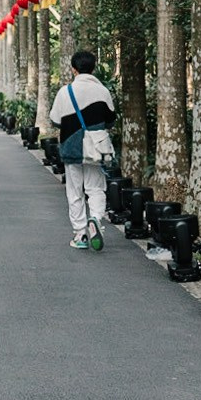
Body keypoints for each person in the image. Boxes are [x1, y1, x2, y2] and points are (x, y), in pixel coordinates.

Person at [51, 50, 117, 251]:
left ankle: (80, 234)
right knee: (96, 188)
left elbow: (55, 120)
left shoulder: (65, 92)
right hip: (95, 147)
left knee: (75, 191)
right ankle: (95, 219)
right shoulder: (103, 91)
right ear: (93, 68)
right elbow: (111, 120)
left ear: (73, 69)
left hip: (72, 146)